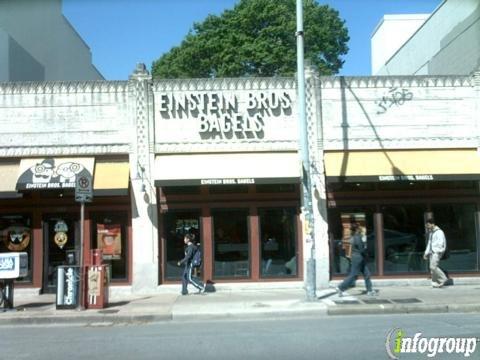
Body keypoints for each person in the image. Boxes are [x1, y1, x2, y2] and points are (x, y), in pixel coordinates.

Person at [335, 222, 376, 297]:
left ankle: (369, 290)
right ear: (357, 229)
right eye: (359, 228)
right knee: (353, 275)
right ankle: (340, 287)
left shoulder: (354, 236)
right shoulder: (357, 237)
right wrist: (367, 252)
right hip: (358, 258)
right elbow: (361, 250)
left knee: (367, 274)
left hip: (358, 257)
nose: (361, 229)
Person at [423, 218, 449, 288]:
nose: (427, 227)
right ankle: (435, 283)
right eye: (426, 226)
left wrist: (437, 251)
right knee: (432, 268)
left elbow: (441, 243)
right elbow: (429, 243)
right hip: (432, 252)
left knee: (433, 267)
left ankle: (443, 278)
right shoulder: (431, 233)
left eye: (428, 225)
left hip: (437, 252)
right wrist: (426, 253)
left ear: (432, 224)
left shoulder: (439, 232)